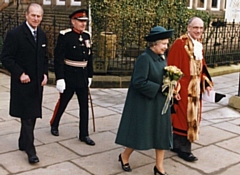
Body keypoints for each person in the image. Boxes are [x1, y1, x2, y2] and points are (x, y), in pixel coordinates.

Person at [115, 26, 174, 175]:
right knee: (140, 133)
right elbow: (139, 82)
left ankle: (159, 167)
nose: (166, 47)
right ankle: (124, 156)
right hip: (145, 103)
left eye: (167, 44)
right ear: (154, 43)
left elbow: (164, 77)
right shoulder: (144, 58)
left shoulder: (161, 57)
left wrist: (172, 87)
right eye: (164, 44)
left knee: (161, 133)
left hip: (160, 102)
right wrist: (161, 88)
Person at [0, 3, 48, 164]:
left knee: (32, 115)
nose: (36, 18)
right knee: (27, 116)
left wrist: (45, 74)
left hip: (36, 84)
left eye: (39, 16)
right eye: (33, 15)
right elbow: (6, 57)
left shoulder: (42, 35)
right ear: (26, 15)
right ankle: (30, 150)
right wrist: (20, 73)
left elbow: (44, 58)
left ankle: (23, 141)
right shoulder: (15, 34)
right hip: (23, 83)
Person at [167, 17, 213, 162]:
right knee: (183, 119)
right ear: (188, 28)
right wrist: (175, 89)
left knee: (192, 118)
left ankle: (175, 144)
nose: (198, 31)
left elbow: (202, 66)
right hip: (183, 89)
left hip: (195, 89)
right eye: (195, 28)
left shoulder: (198, 43)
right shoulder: (179, 44)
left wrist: (206, 82)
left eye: (201, 28)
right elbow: (171, 67)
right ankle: (184, 150)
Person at [49, 9, 95, 146]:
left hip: (82, 75)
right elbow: (58, 58)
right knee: (63, 102)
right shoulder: (65, 36)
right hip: (69, 75)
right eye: (80, 21)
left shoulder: (87, 36)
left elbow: (90, 58)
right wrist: (60, 78)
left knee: (84, 106)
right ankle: (54, 123)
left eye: (85, 22)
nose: (83, 24)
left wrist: (90, 75)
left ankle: (84, 134)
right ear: (73, 21)